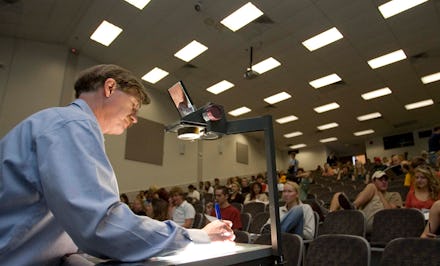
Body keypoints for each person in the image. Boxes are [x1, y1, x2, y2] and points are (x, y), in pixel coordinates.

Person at [0, 64, 234, 265]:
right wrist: (197, 237)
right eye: (133, 107)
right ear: (110, 87)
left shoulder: (57, 123)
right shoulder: (71, 126)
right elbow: (103, 226)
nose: (134, 119)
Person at [329, 170, 402, 233]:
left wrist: (378, 193)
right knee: (338, 195)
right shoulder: (366, 193)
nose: (384, 182)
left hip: (378, 221)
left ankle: (353, 208)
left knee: (371, 187)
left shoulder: (394, 194)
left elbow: (390, 213)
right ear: (373, 181)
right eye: (380, 179)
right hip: (359, 218)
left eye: (386, 180)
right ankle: (329, 217)